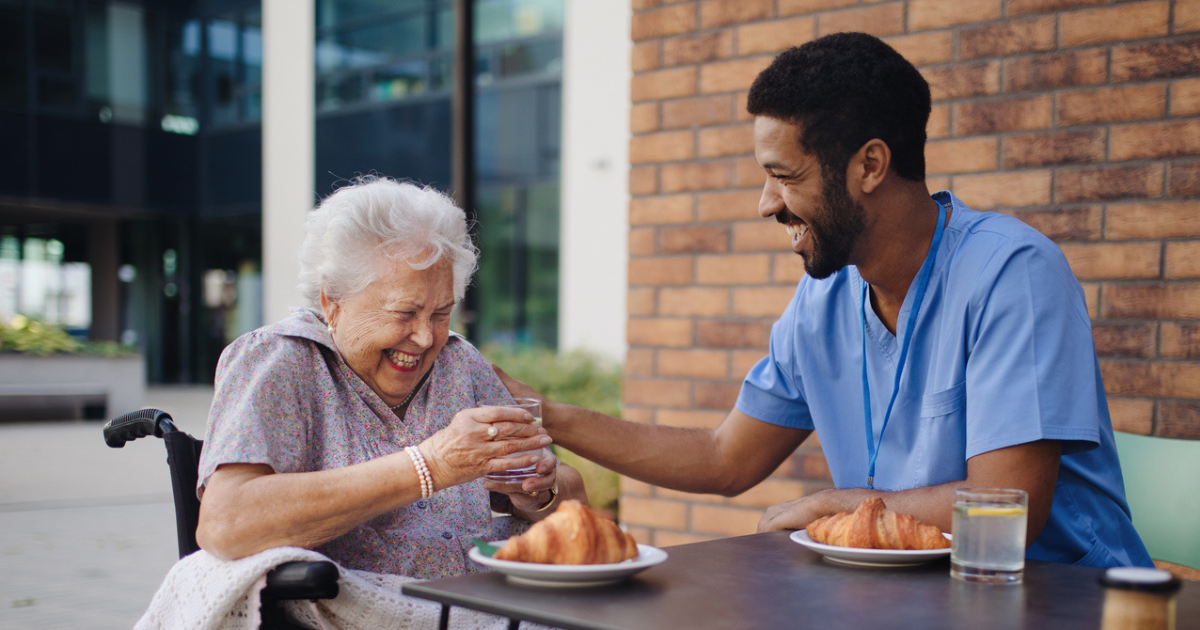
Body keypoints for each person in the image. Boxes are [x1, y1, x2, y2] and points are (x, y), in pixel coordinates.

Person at [498, 32, 1152, 568]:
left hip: (1063, 605)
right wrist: (541, 413)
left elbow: (1009, 506)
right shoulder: (825, 301)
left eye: (784, 176)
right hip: (909, 605)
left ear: (869, 166)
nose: (766, 204)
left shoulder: (1014, 274)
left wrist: (840, 508)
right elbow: (725, 457)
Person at [196, 176, 586, 580]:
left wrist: (538, 492)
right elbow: (226, 524)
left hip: (483, 605)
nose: (426, 337)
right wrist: (431, 464)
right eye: (404, 312)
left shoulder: (459, 362)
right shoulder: (282, 361)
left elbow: (568, 491)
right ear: (333, 301)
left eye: (440, 312)